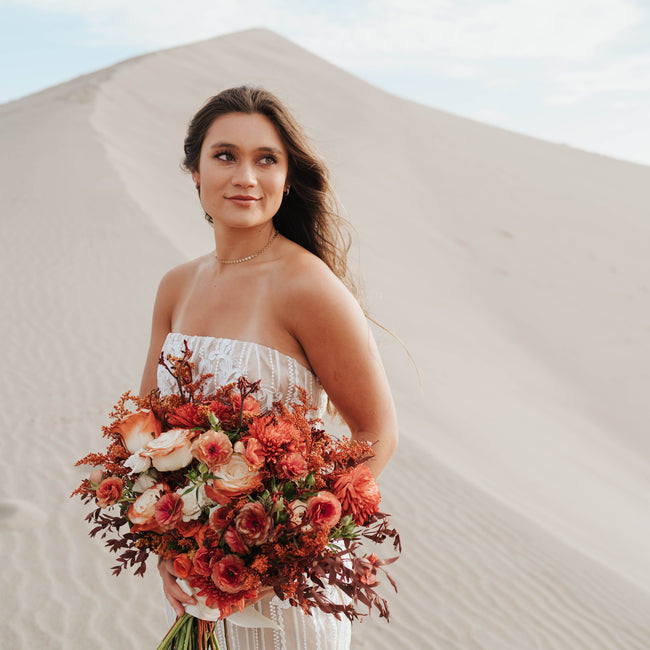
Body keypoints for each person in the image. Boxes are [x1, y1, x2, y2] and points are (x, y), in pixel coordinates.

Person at [138, 86, 398, 649]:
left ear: (286, 177)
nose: (245, 177)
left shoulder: (307, 287)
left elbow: (377, 432)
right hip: (197, 578)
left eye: (266, 159)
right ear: (195, 172)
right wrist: (167, 544)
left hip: (286, 592)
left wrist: (289, 541)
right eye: (225, 155)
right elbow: (148, 434)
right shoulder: (176, 286)